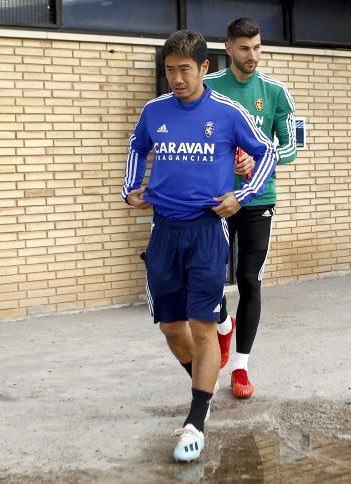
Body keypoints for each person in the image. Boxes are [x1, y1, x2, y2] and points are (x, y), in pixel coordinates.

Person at [122, 30, 277, 462]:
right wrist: (129, 189)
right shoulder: (154, 112)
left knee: (202, 327)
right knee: (172, 329)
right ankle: (204, 386)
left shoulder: (227, 112)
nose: (175, 78)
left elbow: (266, 152)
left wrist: (241, 196)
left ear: (204, 68)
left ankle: (196, 418)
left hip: (207, 231)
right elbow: (137, 148)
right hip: (164, 232)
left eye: (183, 69)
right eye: (169, 70)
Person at [203, 18, 298, 400]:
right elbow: (196, 143)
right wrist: (227, 163)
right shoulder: (208, 89)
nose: (252, 56)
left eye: (257, 47)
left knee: (249, 279)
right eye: (244, 48)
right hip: (216, 201)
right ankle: (224, 326)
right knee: (209, 278)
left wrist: (261, 163)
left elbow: (291, 147)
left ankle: (241, 367)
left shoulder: (275, 92)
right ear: (227, 48)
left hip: (259, 199)